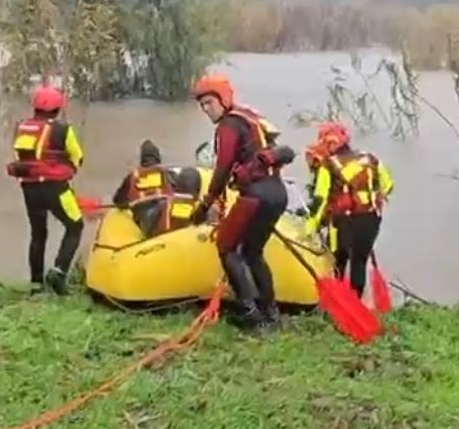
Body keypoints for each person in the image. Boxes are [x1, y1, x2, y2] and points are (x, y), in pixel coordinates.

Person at [190, 73, 295, 331]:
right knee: (252, 252)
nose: (206, 109)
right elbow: (281, 152)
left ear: (223, 100)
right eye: (202, 105)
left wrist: (205, 204)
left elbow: (223, 168)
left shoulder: (228, 125)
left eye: (209, 103)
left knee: (226, 246)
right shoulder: (252, 120)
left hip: (256, 195)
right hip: (277, 194)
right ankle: (271, 314)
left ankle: (249, 312)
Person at [6, 86, 85, 296]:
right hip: (56, 187)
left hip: (29, 187)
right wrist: (69, 168)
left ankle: (36, 285)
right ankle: (59, 272)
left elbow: (18, 154)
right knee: (75, 225)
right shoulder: (63, 130)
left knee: (38, 233)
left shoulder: (21, 127)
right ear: (58, 109)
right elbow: (78, 156)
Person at [304, 121, 394, 299]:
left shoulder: (328, 166)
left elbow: (320, 199)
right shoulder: (370, 159)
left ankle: (338, 303)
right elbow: (388, 186)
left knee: (338, 262)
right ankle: (356, 303)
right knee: (359, 261)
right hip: (370, 219)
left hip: (341, 223)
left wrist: (310, 227)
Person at [112, 140, 199, 238]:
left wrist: (130, 203)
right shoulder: (168, 173)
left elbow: (118, 202)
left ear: (142, 160)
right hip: (165, 215)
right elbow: (181, 192)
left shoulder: (132, 176)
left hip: (147, 222)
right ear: (158, 158)